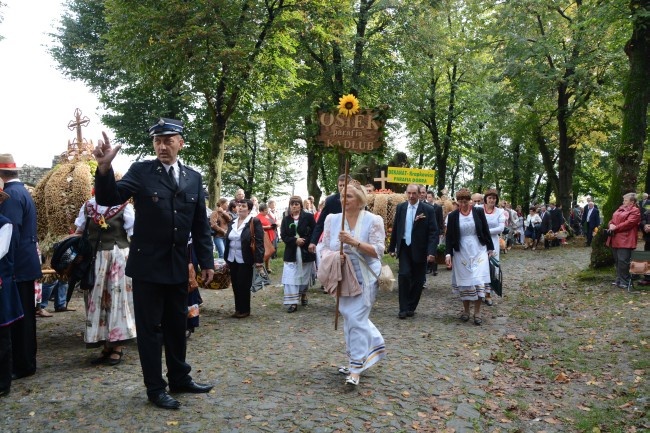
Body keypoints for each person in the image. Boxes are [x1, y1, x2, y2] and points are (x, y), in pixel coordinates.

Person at [92, 118, 215, 410]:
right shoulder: (141, 172)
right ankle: (155, 388)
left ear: (180, 142)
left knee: (177, 324)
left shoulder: (193, 177)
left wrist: (206, 261)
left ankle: (179, 377)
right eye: (157, 141)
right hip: (147, 267)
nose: (162, 146)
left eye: (168, 140)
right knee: (150, 330)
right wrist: (105, 168)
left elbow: (200, 225)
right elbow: (110, 199)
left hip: (176, 264)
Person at [319, 181, 386, 386]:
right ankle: (371, 349)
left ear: (360, 200)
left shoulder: (374, 220)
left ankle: (356, 368)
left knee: (356, 319)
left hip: (365, 277)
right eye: (341, 196)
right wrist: (331, 256)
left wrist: (353, 242)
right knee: (350, 319)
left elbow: (378, 251)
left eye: (348, 196)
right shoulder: (332, 219)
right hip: (342, 277)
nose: (343, 200)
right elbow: (323, 247)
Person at [74, 195, 136, 366]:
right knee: (96, 300)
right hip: (94, 259)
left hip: (118, 259)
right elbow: (79, 231)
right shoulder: (88, 206)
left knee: (117, 299)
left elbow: (134, 235)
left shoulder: (125, 207)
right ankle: (105, 343)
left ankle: (118, 345)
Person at [0, 154, 42, 381]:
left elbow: (10, 234)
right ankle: (25, 362)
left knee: (20, 318)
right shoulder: (21, 191)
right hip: (25, 263)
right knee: (24, 317)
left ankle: (23, 364)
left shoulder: (11, 196)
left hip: (17, 266)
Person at [445, 188, 495, 326]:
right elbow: (449, 236)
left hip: (478, 249)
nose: (463, 204)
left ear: (470, 201)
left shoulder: (478, 212)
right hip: (461, 251)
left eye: (465, 201)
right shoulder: (453, 216)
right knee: (465, 282)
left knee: (479, 280)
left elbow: (485, 229)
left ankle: (477, 312)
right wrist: (448, 253)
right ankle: (466, 310)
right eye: (460, 201)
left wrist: (490, 247)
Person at [388, 184, 438, 319]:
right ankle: (403, 308)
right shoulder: (401, 207)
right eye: (409, 193)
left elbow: (433, 232)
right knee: (403, 275)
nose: (411, 196)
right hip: (404, 246)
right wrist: (392, 247)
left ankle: (411, 306)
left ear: (419, 194)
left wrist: (431, 252)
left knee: (418, 279)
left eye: (414, 193)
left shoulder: (427, 209)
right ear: (406, 193)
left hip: (420, 248)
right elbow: (397, 227)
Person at [0, 180, 23, 397]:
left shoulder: (5, 224)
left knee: (2, 337)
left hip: (0, 288)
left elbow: (0, 251)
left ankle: (2, 383)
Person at [224, 199, 264, 318]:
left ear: (249, 209)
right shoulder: (232, 222)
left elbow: (259, 241)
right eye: (238, 205)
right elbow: (228, 238)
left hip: (246, 258)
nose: (240, 208)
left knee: (243, 284)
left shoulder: (254, 221)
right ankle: (238, 309)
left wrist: (258, 260)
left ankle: (245, 309)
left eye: (243, 206)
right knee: (235, 284)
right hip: (232, 258)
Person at [280, 196, 316, 313]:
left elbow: (314, 232)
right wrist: (295, 241)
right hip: (291, 253)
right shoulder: (286, 220)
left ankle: (303, 293)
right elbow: (284, 235)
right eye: (292, 204)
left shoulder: (309, 217)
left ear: (301, 205)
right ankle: (292, 302)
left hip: (306, 252)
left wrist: (305, 241)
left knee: (303, 277)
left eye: (296, 204)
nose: (294, 206)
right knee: (290, 278)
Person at [308, 174, 352, 255]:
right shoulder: (330, 201)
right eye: (340, 185)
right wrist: (313, 241)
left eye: (345, 185)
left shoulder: (356, 200)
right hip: (335, 238)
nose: (342, 187)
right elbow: (320, 223)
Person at [605, 193, 641, 289]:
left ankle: (625, 280)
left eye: (625, 200)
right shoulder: (620, 208)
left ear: (632, 202)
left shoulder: (635, 210)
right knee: (617, 260)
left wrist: (615, 227)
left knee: (623, 261)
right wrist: (610, 225)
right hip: (615, 237)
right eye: (623, 200)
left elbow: (629, 223)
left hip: (626, 239)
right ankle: (619, 279)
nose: (623, 202)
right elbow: (612, 220)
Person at [482, 189, 506, 306]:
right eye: (490, 198)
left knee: (491, 266)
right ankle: (478, 292)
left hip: (493, 241)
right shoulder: (478, 209)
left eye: (494, 198)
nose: (492, 200)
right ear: (486, 198)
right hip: (480, 241)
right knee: (479, 265)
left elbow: (501, 228)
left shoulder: (500, 212)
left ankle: (488, 294)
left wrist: (485, 231)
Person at [256, 203, 277, 272]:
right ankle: (261, 268)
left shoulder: (267, 216)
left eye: (267, 210)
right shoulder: (257, 217)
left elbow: (272, 221)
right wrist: (267, 227)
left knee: (270, 251)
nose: (267, 211)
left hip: (270, 235)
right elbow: (257, 227)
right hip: (264, 237)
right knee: (264, 252)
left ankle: (268, 267)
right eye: (265, 210)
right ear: (261, 210)